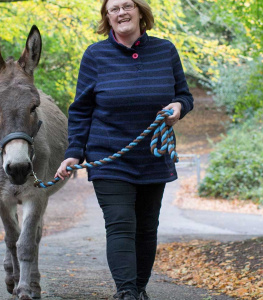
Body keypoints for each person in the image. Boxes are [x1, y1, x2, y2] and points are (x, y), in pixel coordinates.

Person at [54, 0, 194, 299]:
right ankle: (126, 292)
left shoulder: (165, 50)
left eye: (127, 5)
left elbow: (184, 94)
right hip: (108, 157)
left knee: (146, 228)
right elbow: (81, 110)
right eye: (114, 8)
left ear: (141, 11)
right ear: (107, 17)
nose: (121, 13)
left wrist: (179, 107)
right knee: (120, 224)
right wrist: (73, 152)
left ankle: (138, 289)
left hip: (153, 157)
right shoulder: (95, 55)